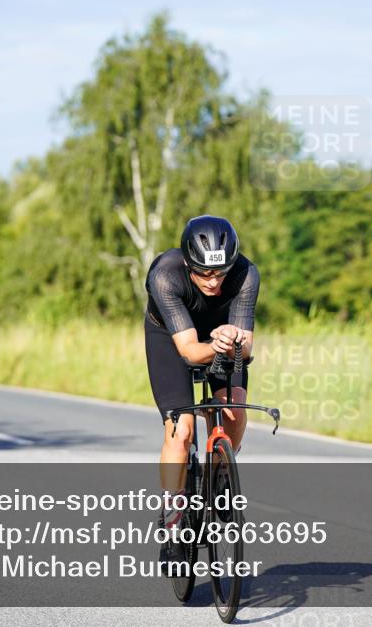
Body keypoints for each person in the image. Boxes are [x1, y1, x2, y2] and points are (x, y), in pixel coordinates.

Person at [144, 215, 259, 561]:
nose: (214, 281)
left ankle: (221, 471)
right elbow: (191, 352)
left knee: (233, 408)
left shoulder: (246, 274)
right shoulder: (164, 275)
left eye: (221, 272)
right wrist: (219, 344)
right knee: (180, 431)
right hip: (173, 337)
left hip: (222, 335)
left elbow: (248, 347)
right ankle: (173, 520)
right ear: (187, 262)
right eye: (204, 273)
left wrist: (234, 339)